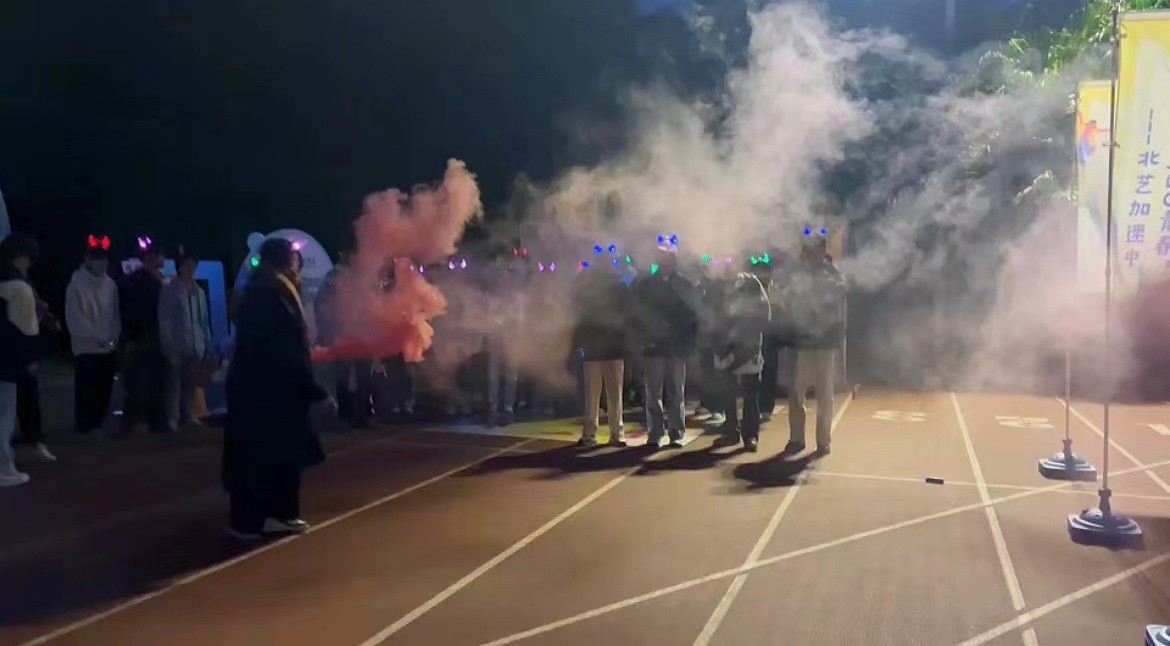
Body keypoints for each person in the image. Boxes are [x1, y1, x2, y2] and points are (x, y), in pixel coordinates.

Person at [223, 237, 334, 540]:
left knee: (253, 459)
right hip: (272, 396)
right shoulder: (274, 294)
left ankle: (249, 520)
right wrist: (315, 390)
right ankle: (274, 516)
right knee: (276, 458)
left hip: (255, 391)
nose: (298, 266)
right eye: (294, 259)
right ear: (284, 261)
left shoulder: (258, 289)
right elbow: (287, 353)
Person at [782, 235, 846, 457]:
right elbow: (786, 301)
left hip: (824, 343)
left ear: (821, 253)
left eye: (813, 252)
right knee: (796, 394)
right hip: (802, 343)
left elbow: (840, 293)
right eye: (807, 252)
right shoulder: (797, 275)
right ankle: (796, 437)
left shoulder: (831, 275)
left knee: (825, 395)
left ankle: (823, 440)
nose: (809, 256)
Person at [631, 246, 698, 449]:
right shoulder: (646, 285)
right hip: (654, 346)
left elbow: (692, 315)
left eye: (669, 258)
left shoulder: (684, 284)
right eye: (662, 258)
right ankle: (655, 432)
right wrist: (644, 337)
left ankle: (676, 432)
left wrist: (687, 343)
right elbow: (638, 314)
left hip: (676, 346)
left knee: (676, 392)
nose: (666, 262)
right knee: (653, 393)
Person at [65, 237, 121, 439]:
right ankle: (85, 427)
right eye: (98, 259)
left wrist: (112, 337)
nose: (102, 264)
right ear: (88, 260)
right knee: (87, 389)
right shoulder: (76, 284)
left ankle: (98, 423)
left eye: (105, 259)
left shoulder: (110, 285)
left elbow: (115, 315)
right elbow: (75, 318)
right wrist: (97, 337)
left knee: (104, 388)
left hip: (107, 347)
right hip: (86, 347)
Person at [0, 233, 43, 486]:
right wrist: (31, 359)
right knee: (5, 414)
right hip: (9, 361)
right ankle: (4, 468)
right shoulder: (20, 288)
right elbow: (28, 330)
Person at [571, 265, 631, 447]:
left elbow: (579, 318)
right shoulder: (619, 288)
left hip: (602, 348)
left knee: (595, 394)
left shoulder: (591, 288)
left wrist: (578, 344)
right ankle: (615, 433)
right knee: (612, 394)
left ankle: (594, 433)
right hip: (604, 348)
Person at [714, 272, 771, 452]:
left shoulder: (752, 282)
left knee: (750, 394)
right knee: (727, 393)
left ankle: (751, 435)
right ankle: (731, 431)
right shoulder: (716, 285)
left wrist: (747, 334)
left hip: (748, 347)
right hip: (724, 348)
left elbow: (764, 313)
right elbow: (708, 314)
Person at [158, 252, 213, 432]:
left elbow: (203, 321)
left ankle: (188, 415)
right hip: (177, 346)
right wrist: (168, 346)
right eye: (187, 266)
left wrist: (206, 344)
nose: (191, 270)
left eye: (193, 266)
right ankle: (172, 419)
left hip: (195, 346)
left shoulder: (199, 292)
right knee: (174, 383)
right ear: (180, 268)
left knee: (190, 384)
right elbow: (165, 320)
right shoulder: (169, 291)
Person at [119, 241, 167, 433]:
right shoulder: (140, 281)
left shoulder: (156, 280)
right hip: (143, 338)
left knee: (151, 381)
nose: (163, 259)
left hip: (150, 338)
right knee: (141, 382)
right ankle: (140, 421)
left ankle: (150, 420)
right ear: (149, 258)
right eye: (159, 255)